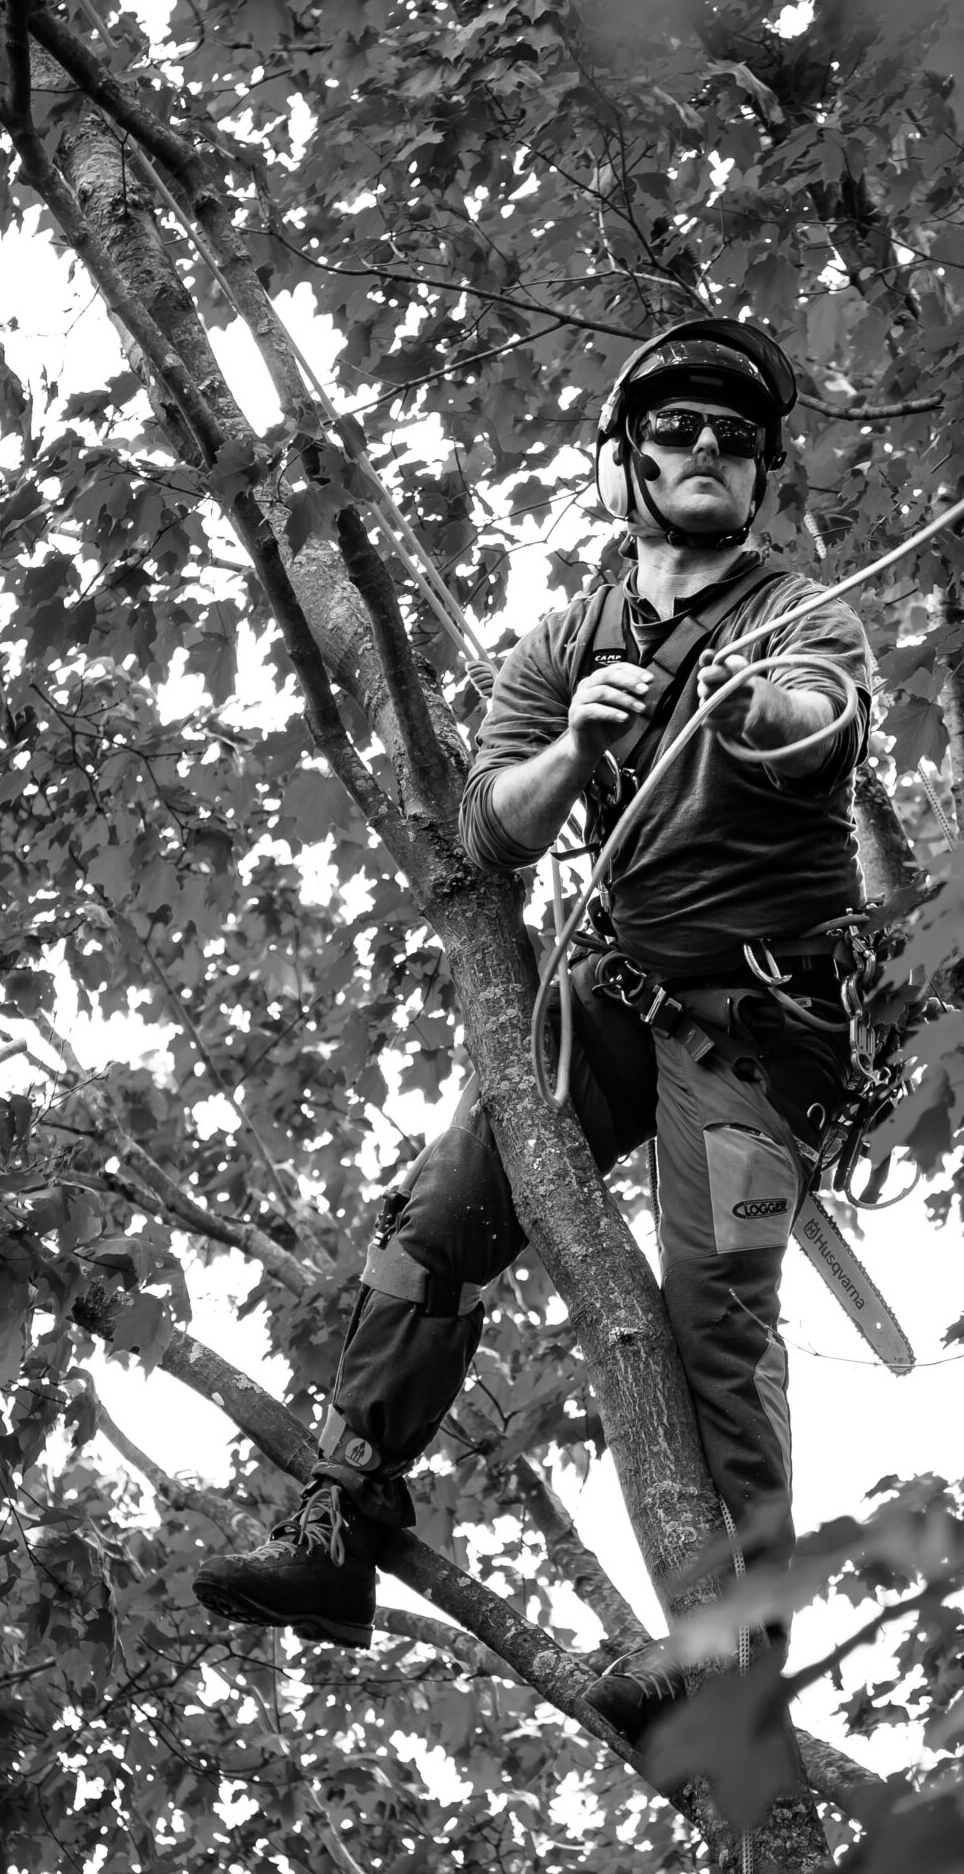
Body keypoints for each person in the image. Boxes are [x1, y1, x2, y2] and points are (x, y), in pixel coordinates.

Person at [195, 320, 877, 1736]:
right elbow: (486, 834)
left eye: (735, 442)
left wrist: (746, 705)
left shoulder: (801, 619)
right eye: (680, 434)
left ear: (760, 481)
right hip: (609, 1005)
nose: (708, 453)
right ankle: (340, 1525)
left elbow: (814, 729)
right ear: (629, 467)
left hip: (765, 1045)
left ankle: (730, 1652)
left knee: (718, 1321)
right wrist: (577, 740)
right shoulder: (559, 644)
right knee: (435, 1220)